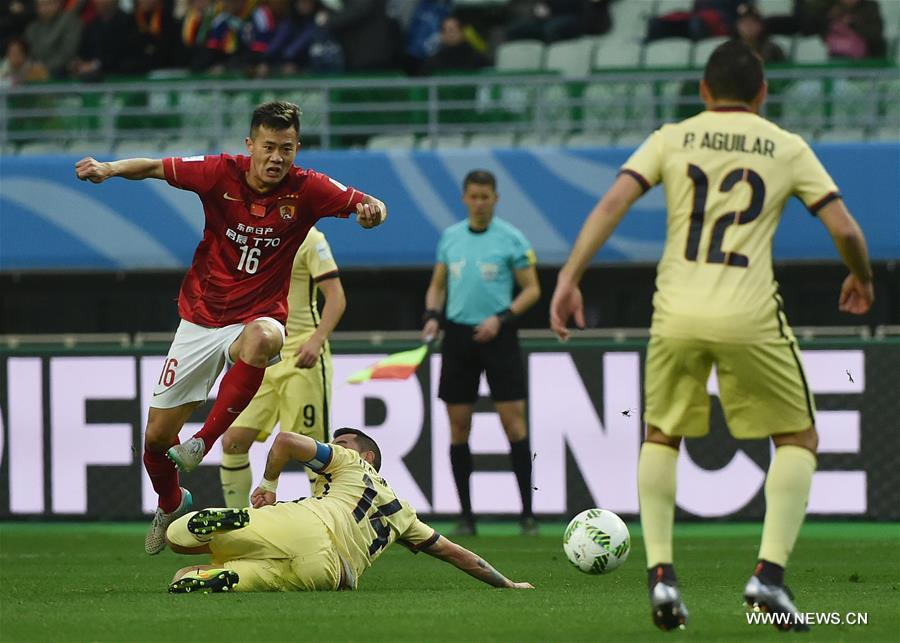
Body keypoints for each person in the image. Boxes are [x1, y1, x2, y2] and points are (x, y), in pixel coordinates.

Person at [550, 40, 873, 632]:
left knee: (661, 433)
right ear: (762, 93)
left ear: (703, 90)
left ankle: (662, 579)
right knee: (797, 436)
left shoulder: (673, 136)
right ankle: (768, 577)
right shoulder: (786, 146)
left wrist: (570, 278)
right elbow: (844, 226)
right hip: (750, 312)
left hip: (675, 312)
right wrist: (861, 273)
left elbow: (613, 202)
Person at [75, 100, 387, 556]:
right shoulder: (220, 172)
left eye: (286, 148)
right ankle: (170, 499)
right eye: (268, 147)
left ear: (297, 148)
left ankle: (204, 442)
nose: (277, 157)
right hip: (201, 320)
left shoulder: (310, 188)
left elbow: (369, 203)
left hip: (260, 317)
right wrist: (109, 168)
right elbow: (157, 167)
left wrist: (374, 210)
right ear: (250, 145)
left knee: (262, 339)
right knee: (157, 440)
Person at [165, 428, 535, 593]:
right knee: (187, 575)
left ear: (367, 455)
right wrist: (507, 583)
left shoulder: (351, 463)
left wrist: (269, 484)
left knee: (177, 537)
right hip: (330, 574)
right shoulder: (405, 515)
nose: (332, 445)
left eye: (341, 441)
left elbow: (286, 442)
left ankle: (221, 527)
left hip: (309, 523)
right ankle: (223, 575)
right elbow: (457, 554)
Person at [422, 170, 541, 536]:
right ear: (464, 198)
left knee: (514, 424)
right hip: (458, 337)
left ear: (496, 198)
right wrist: (431, 318)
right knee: (459, 427)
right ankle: (467, 517)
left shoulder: (512, 239)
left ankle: (527, 515)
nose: (479, 203)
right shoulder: (451, 238)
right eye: (473, 196)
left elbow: (532, 290)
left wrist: (501, 319)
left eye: (485, 196)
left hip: (499, 336)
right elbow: (437, 287)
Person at [220, 225, 344, 507]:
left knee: (310, 451)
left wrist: (317, 340)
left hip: (302, 357)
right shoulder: (252, 236)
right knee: (233, 441)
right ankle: (238, 527)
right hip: (260, 355)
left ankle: (328, 528)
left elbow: (336, 296)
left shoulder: (311, 239)